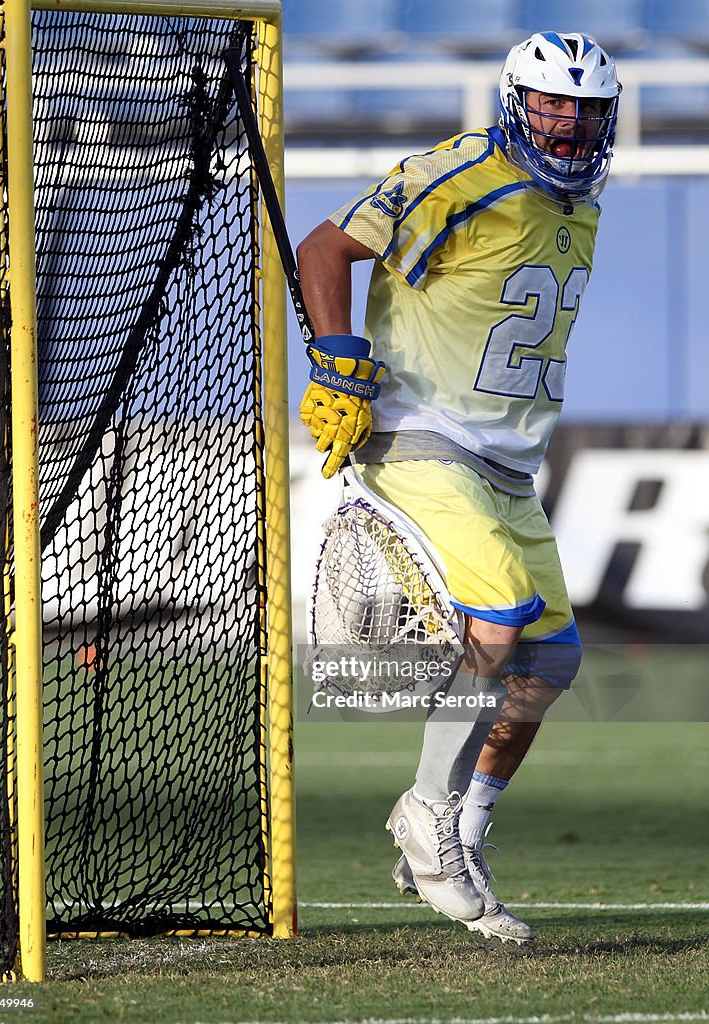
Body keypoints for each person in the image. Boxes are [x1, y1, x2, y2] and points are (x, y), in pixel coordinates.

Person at [297, 31, 621, 944]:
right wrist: (335, 360)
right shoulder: (462, 171)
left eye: (586, 107)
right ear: (518, 98)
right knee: (500, 615)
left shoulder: (581, 191)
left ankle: (459, 831)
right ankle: (426, 816)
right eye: (554, 103)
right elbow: (323, 250)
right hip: (416, 431)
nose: (569, 123)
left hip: (507, 459)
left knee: (550, 664)